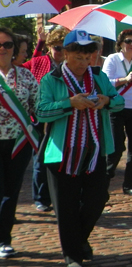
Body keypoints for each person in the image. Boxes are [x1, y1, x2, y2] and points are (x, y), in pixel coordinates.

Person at [36, 30, 124, 267]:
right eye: (78, 58)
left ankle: (80, 238)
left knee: (97, 199)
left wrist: (106, 101)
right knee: (66, 208)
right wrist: (69, 103)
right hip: (61, 154)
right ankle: (72, 256)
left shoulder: (99, 77)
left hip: (94, 151)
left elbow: (119, 102)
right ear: (65, 54)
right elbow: (41, 111)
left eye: (88, 58)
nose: (83, 63)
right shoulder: (51, 79)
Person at [0, 27, 39, 259]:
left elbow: (38, 103)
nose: (2, 49)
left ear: (15, 48)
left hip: (19, 143)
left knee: (11, 192)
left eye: (7, 45)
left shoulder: (25, 75)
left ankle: (4, 239)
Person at [23, 27, 68, 213]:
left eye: (65, 48)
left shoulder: (70, 65)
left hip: (63, 116)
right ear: (50, 47)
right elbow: (19, 70)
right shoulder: (39, 62)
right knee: (40, 158)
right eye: (57, 48)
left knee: (61, 158)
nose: (61, 52)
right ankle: (41, 198)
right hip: (40, 118)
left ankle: (59, 195)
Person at [103, 29, 132, 196]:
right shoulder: (113, 59)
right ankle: (104, 181)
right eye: (128, 41)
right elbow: (106, 82)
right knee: (116, 148)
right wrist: (125, 79)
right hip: (117, 108)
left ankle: (129, 184)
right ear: (121, 43)